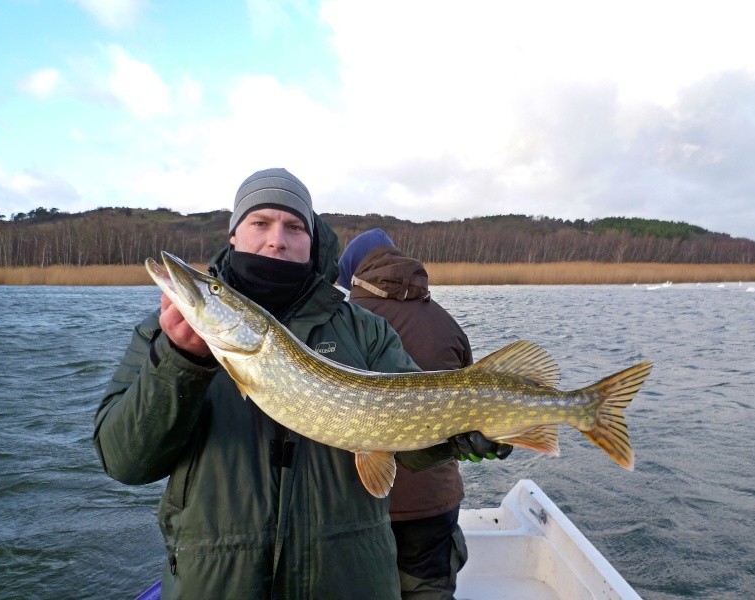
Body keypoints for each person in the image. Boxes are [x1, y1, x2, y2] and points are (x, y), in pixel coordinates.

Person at [93, 168, 508, 600]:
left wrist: (457, 438)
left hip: (350, 582)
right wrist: (180, 362)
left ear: (311, 241)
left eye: (294, 227)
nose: (277, 239)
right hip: (217, 584)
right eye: (260, 223)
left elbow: (410, 445)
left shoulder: (366, 331)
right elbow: (125, 463)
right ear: (233, 235)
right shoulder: (163, 334)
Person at [339, 229, 511, 599]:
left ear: (353, 275)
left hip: (362, 504)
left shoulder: (344, 323)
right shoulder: (447, 322)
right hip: (435, 501)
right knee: (428, 590)